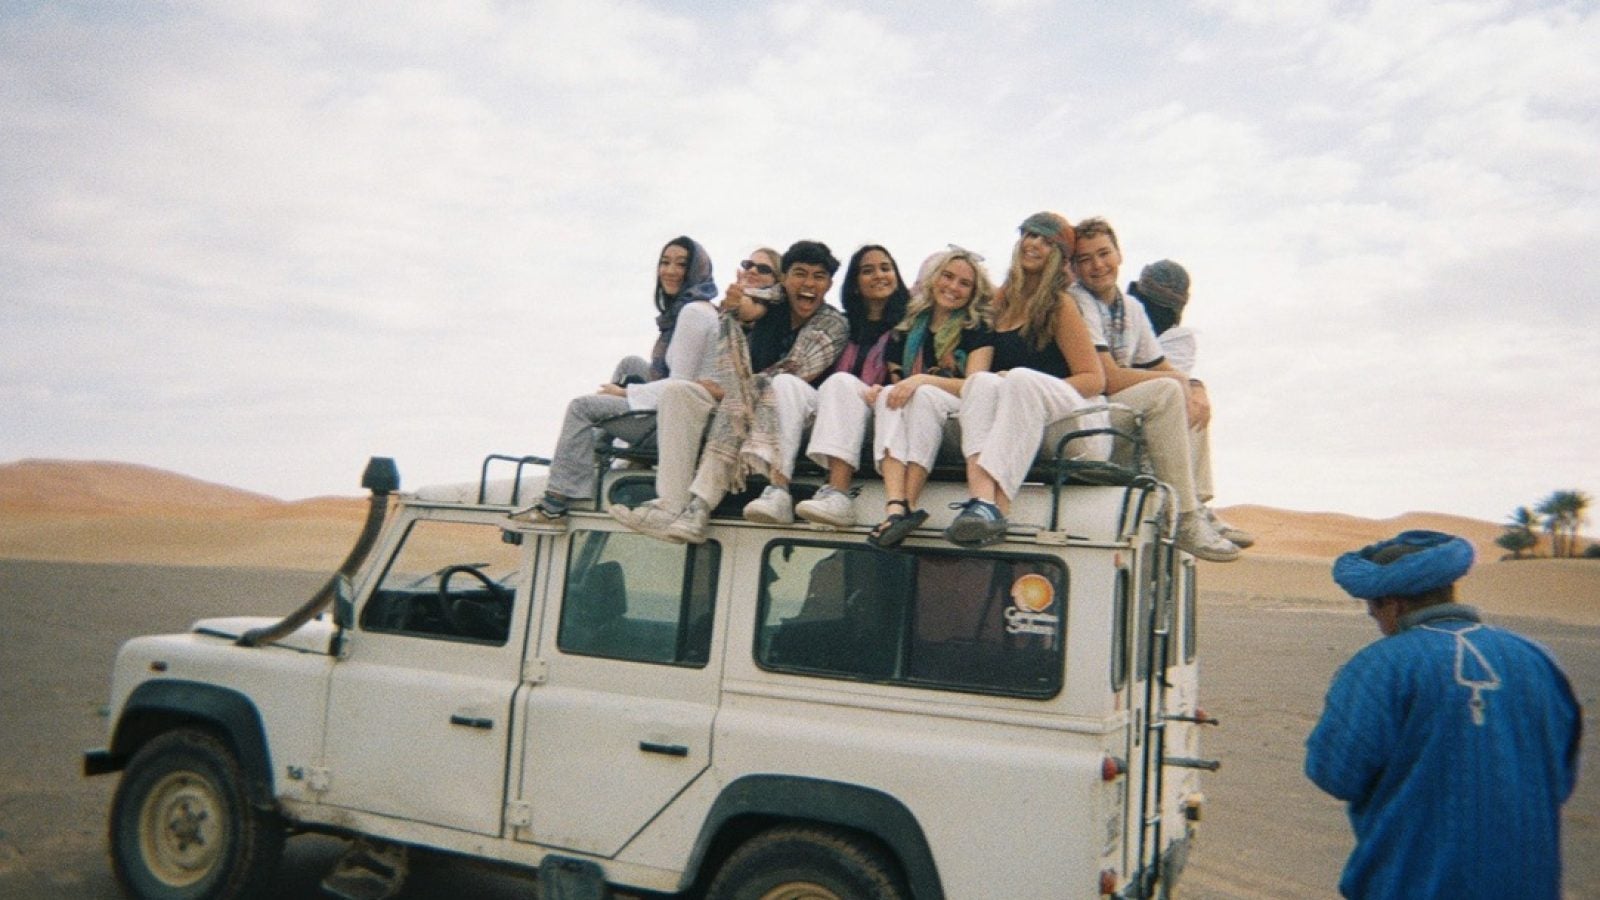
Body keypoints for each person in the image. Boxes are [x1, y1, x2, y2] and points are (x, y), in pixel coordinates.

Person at [1305, 530, 1581, 899]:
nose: (1374, 618)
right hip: (1528, 882)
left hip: (1413, 882)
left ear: (1393, 604)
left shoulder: (1379, 667)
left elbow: (1336, 773)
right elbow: (1559, 777)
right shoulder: (1537, 658)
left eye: (1373, 608)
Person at [611, 240, 848, 543]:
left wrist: (729, 390)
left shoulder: (835, 324)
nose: (809, 283)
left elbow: (796, 369)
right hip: (746, 401)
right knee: (680, 392)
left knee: (754, 394)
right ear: (785, 279)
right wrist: (738, 307)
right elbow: (751, 307)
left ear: (829, 284)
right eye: (800, 274)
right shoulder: (771, 303)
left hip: (798, 417)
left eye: (819, 276)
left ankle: (701, 505)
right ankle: (671, 504)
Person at [1067, 217, 1239, 561]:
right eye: (1085, 259)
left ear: (1119, 254)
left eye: (1104, 254)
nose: (1097, 265)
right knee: (1168, 391)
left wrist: (1193, 387)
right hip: (1088, 411)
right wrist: (1178, 383)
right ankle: (1186, 518)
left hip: (1115, 408)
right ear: (1074, 266)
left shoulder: (1130, 308)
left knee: (1184, 393)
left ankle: (1198, 503)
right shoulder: (1077, 301)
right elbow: (1107, 377)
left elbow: (1158, 363)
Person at [523, 236, 731, 521]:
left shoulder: (693, 313)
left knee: (581, 408)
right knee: (630, 363)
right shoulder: (693, 308)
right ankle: (601, 459)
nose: (670, 271)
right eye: (665, 262)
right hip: (683, 404)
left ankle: (557, 500)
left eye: (681, 264)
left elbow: (679, 387)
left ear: (696, 269)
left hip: (679, 422)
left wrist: (625, 394)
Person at [942, 212, 1106, 548]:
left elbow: (1094, 379)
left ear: (1058, 255)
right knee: (982, 383)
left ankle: (997, 508)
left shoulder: (1060, 304)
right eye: (1029, 235)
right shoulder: (999, 302)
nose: (1034, 244)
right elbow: (979, 374)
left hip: (1072, 415)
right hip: (1021, 412)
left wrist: (1031, 385)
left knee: (1018, 380)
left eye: (1046, 241)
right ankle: (983, 502)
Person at [1126, 259, 1253, 548]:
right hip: (1123, 411)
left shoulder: (1178, 339)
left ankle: (1195, 503)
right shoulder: (1118, 318)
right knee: (1174, 393)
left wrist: (1194, 386)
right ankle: (1190, 507)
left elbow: (1168, 372)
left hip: (1151, 417)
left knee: (1190, 402)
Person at [791, 245, 913, 528]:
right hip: (834, 408)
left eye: (885, 268)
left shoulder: (908, 326)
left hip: (883, 409)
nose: (879, 275)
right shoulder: (840, 326)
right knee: (817, 384)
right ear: (855, 283)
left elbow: (906, 375)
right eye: (867, 270)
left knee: (841, 382)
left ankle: (839, 492)